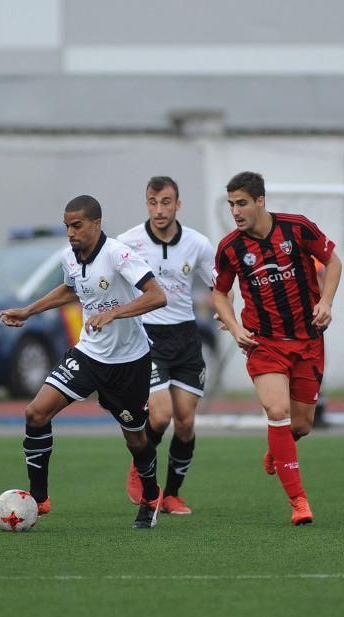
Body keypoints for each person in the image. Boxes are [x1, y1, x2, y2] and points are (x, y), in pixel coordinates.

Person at [0, 195, 168, 528]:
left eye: (77, 225)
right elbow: (71, 289)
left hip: (129, 362)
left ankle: (150, 496)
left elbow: (157, 295)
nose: (71, 233)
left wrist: (114, 313)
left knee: (135, 439)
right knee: (36, 412)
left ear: (96, 223)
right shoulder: (70, 257)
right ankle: (39, 499)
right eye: (67, 227)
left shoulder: (118, 254)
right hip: (89, 354)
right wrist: (29, 311)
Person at [211, 171, 342, 526]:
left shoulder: (297, 228)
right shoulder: (230, 247)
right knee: (276, 408)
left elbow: (333, 262)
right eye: (230, 204)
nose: (235, 211)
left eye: (241, 203)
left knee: (300, 425)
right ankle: (299, 502)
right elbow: (219, 293)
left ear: (260, 201)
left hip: (308, 339)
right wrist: (235, 327)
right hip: (263, 342)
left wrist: (326, 302)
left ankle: (278, 448)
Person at [117, 176, 216, 516]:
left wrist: (228, 315)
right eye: (153, 202)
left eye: (166, 202)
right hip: (148, 337)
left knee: (186, 421)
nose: (159, 210)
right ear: (146, 202)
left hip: (186, 337)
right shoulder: (127, 243)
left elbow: (219, 284)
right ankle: (139, 468)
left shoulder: (198, 244)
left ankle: (171, 494)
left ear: (178, 204)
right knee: (160, 415)